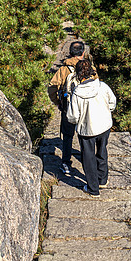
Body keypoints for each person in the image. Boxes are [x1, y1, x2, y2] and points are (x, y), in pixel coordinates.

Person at [66, 58, 117, 196]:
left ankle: (93, 188)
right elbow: (112, 103)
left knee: (88, 158)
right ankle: (102, 180)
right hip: (104, 126)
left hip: (87, 130)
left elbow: (72, 116)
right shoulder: (102, 86)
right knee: (102, 152)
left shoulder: (77, 93)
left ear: (78, 74)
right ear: (91, 72)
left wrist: (78, 122)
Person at [47, 41, 95, 176]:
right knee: (85, 134)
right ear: (83, 53)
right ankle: (87, 161)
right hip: (86, 107)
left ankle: (66, 163)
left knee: (68, 136)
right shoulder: (90, 69)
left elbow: (52, 87)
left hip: (68, 107)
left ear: (70, 53)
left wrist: (58, 102)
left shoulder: (63, 69)